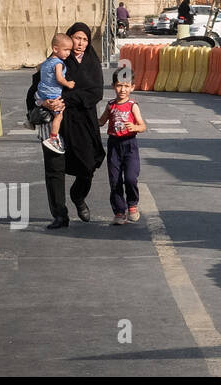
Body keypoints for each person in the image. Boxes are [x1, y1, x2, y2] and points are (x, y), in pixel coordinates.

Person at [29, 21, 106, 229]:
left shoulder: (92, 63)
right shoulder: (54, 61)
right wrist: (43, 102)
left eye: (85, 39)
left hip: (82, 122)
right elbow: (35, 89)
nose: (80, 43)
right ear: (68, 38)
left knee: (88, 165)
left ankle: (78, 196)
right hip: (55, 123)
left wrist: (66, 99)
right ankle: (60, 215)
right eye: (77, 38)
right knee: (54, 169)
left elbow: (96, 92)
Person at [100, 70, 146, 225]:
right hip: (114, 145)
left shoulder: (133, 105)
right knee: (115, 180)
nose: (123, 90)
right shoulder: (110, 105)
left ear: (132, 87)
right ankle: (119, 212)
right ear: (113, 86)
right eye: (119, 86)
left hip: (130, 145)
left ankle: (132, 204)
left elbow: (142, 126)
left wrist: (134, 127)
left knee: (131, 178)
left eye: (126, 86)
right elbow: (100, 122)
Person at [37, 33, 76, 153]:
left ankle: (30, 119)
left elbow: (39, 69)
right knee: (59, 116)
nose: (68, 53)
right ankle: (53, 138)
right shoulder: (58, 63)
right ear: (55, 49)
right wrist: (68, 83)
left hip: (41, 91)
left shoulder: (46, 62)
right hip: (53, 94)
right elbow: (59, 78)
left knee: (42, 106)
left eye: (69, 50)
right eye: (66, 50)